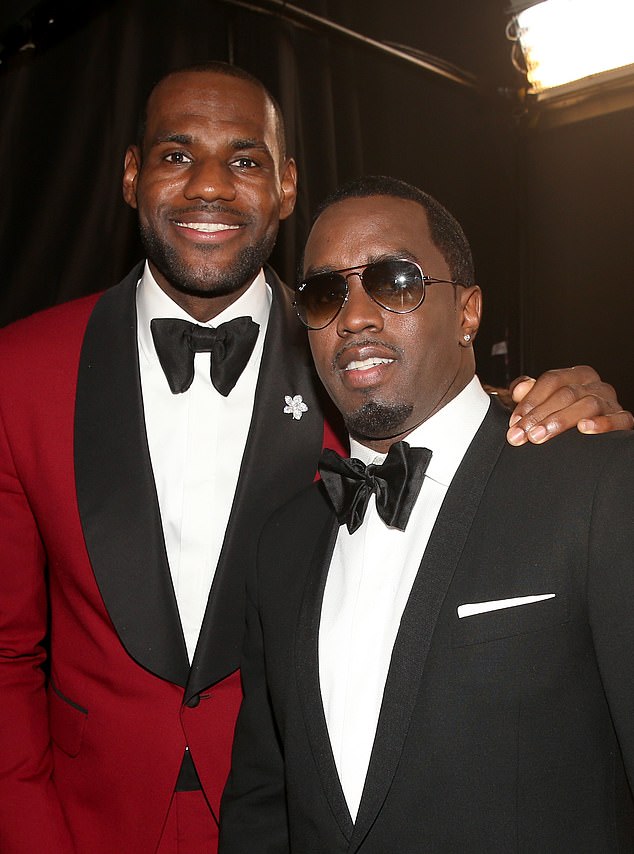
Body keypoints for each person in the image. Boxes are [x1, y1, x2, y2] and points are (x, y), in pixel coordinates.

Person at [0, 63, 627, 854]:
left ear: (288, 186)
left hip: (296, 816)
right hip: (88, 822)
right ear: (130, 174)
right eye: (174, 154)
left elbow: (455, 411)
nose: (208, 187)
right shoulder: (18, 373)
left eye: (245, 160)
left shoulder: (356, 357)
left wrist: (565, 401)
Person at [219, 176, 634, 853]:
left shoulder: (596, 483)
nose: (354, 315)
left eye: (395, 280)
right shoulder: (283, 543)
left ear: (468, 312)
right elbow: (262, 804)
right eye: (326, 292)